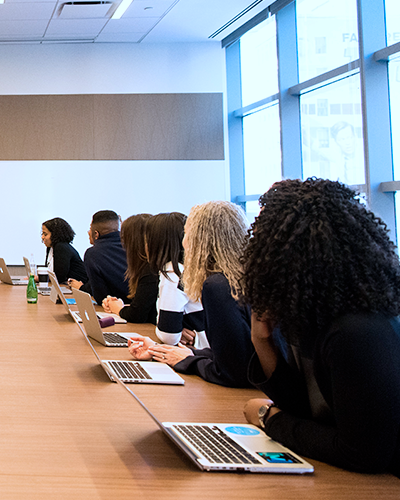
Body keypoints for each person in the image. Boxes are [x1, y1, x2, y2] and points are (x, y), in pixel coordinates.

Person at [240, 179, 400, 475]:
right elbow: (310, 412)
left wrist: (269, 418)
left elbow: (363, 455)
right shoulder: (313, 316)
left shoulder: (357, 330)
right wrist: (262, 341)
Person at [126, 202, 253, 387]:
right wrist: (171, 351)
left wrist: (187, 360)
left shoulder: (217, 286)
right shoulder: (242, 277)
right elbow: (237, 356)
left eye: (186, 234)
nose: (183, 242)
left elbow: (232, 372)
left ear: (200, 240)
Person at [143, 212, 203, 346]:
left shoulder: (173, 273)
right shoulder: (192, 268)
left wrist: (172, 330)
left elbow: (168, 337)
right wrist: (178, 329)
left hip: (195, 351)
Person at [102, 213, 157, 324]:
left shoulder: (150, 272)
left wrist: (118, 309)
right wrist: (119, 305)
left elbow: (137, 315)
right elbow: (144, 307)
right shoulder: (148, 267)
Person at [76, 210, 128, 303]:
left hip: (113, 310)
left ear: (96, 234)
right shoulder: (131, 246)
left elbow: (101, 297)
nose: (88, 232)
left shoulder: (92, 254)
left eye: (90, 228)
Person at [42, 217, 87, 286]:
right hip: (65, 286)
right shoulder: (50, 248)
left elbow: (59, 278)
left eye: (45, 234)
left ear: (55, 235)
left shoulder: (61, 247)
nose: (42, 237)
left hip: (77, 288)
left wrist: (42, 278)